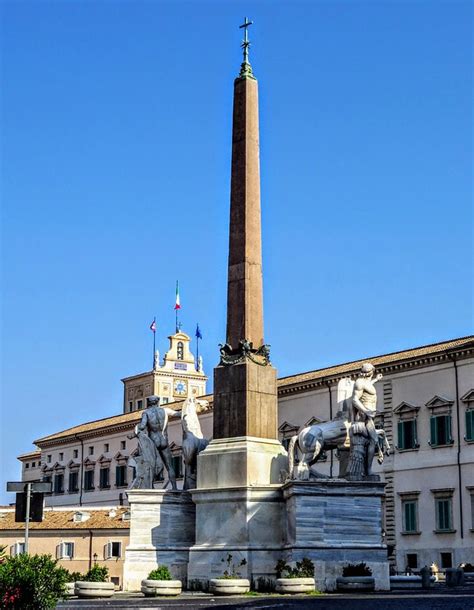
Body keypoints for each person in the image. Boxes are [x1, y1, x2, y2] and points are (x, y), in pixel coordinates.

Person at [137, 395, 178, 490]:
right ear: (157, 402)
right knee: (169, 466)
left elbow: (142, 426)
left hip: (153, 441)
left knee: (151, 465)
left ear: (148, 403)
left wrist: (136, 429)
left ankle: (151, 487)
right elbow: (177, 414)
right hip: (164, 440)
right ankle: (175, 487)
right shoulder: (164, 411)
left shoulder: (146, 413)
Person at [351, 363, 383, 476]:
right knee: (373, 440)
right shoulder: (359, 382)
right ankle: (368, 470)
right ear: (370, 372)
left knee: (373, 440)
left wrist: (375, 380)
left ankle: (367, 469)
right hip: (364, 417)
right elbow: (354, 400)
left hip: (369, 416)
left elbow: (367, 386)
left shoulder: (366, 382)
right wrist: (366, 411)